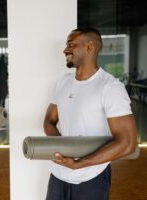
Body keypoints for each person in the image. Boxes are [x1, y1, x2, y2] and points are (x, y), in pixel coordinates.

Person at [43, 27, 137, 200]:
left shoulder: (110, 87)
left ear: (89, 47)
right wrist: (61, 149)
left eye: (71, 44)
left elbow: (128, 143)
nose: (65, 50)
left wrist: (80, 164)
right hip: (58, 175)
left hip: (91, 177)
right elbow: (49, 120)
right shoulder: (63, 82)